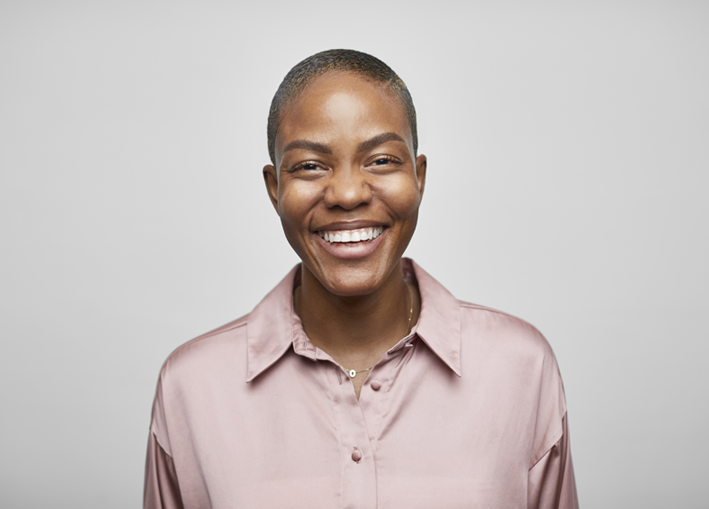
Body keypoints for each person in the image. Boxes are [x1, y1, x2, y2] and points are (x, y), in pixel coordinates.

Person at [144, 49, 579, 509]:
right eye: (311, 165)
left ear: (419, 176)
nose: (348, 194)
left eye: (382, 160)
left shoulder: (519, 368)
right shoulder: (191, 387)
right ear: (275, 189)